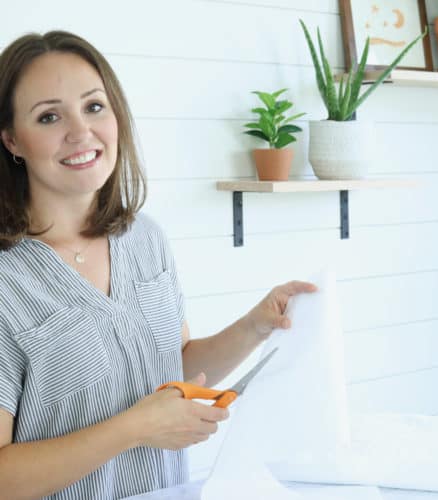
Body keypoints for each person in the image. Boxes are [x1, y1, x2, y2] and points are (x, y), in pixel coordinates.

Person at [0, 31, 316, 499]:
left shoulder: (144, 238)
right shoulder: (9, 281)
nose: (80, 132)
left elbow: (173, 370)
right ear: (11, 141)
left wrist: (255, 326)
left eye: (93, 107)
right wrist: (135, 428)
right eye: (49, 116)